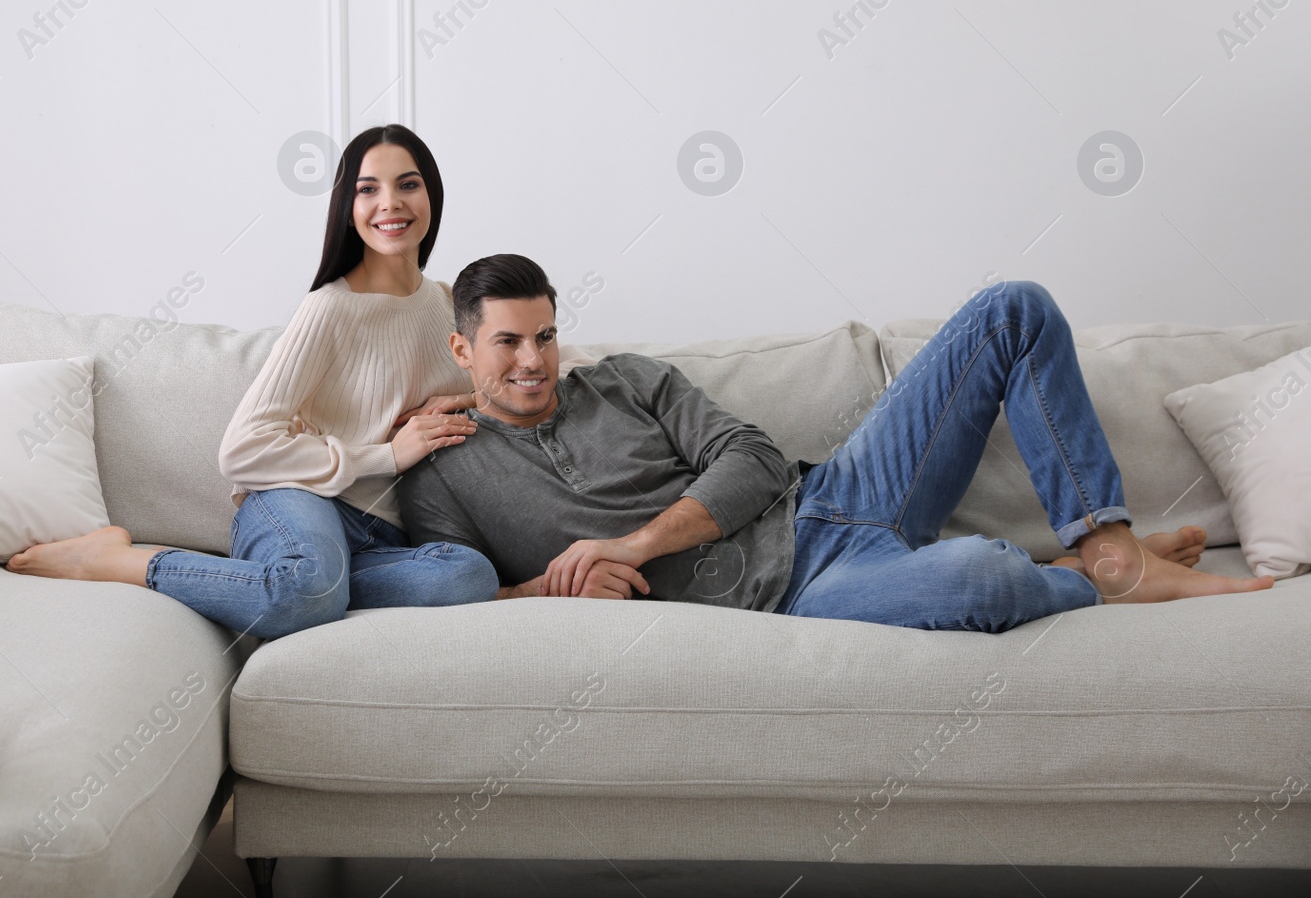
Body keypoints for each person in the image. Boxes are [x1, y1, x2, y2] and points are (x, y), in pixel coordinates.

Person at [397, 254, 1273, 631]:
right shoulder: (448, 465)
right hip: (808, 590)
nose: (533, 361)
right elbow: (460, 588)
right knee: (987, 575)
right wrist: (549, 589)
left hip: (838, 496)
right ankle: (1079, 579)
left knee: (1015, 307)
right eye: (508, 343)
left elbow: (755, 458)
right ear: (463, 349)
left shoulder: (625, 379)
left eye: (544, 336)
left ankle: (1110, 549)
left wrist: (633, 542)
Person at [6, 125, 500, 634]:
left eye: (408, 184)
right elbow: (240, 450)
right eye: (367, 189)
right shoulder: (329, 308)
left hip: (385, 533)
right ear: (347, 209)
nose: (390, 204)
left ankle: (297, 586)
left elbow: (531, 376)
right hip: (299, 500)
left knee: (466, 578)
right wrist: (388, 455)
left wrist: (468, 397)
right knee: (308, 590)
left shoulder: (446, 302)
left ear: (431, 195)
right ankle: (118, 562)